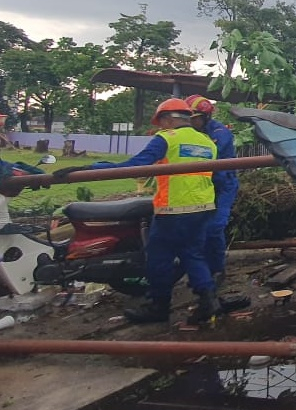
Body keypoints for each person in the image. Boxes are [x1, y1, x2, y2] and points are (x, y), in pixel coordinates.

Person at [54, 98, 220, 324]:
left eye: (162, 122)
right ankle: (209, 302)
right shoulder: (207, 141)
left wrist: (88, 168)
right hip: (202, 208)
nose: (161, 127)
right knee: (193, 254)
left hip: (173, 209)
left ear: (169, 119)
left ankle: (158, 307)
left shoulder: (167, 138)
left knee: (159, 258)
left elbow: (135, 165)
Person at [185, 95, 238, 283]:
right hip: (201, 185)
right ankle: (200, 268)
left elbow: (207, 154)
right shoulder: (191, 132)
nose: (191, 122)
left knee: (215, 228)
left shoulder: (220, 133)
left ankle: (217, 270)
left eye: (194, 118)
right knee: (196, 227)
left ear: (205, 116)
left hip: (223, 186)